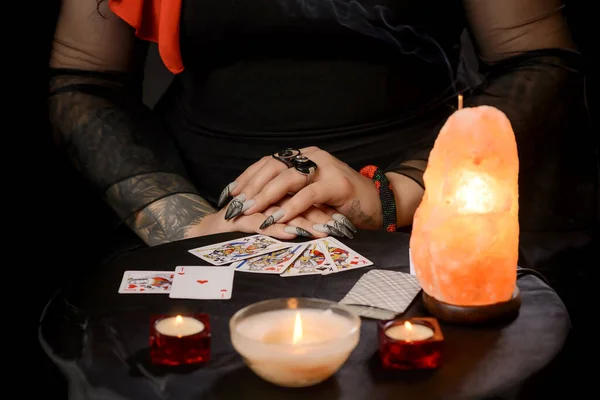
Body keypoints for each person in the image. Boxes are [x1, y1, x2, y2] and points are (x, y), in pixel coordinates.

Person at [48, 0, 595, 247]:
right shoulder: (187, 223)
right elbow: (86, 82)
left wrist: (395, 195)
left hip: (416, 214)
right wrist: (183, 224)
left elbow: (539, 61)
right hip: (199, 206)